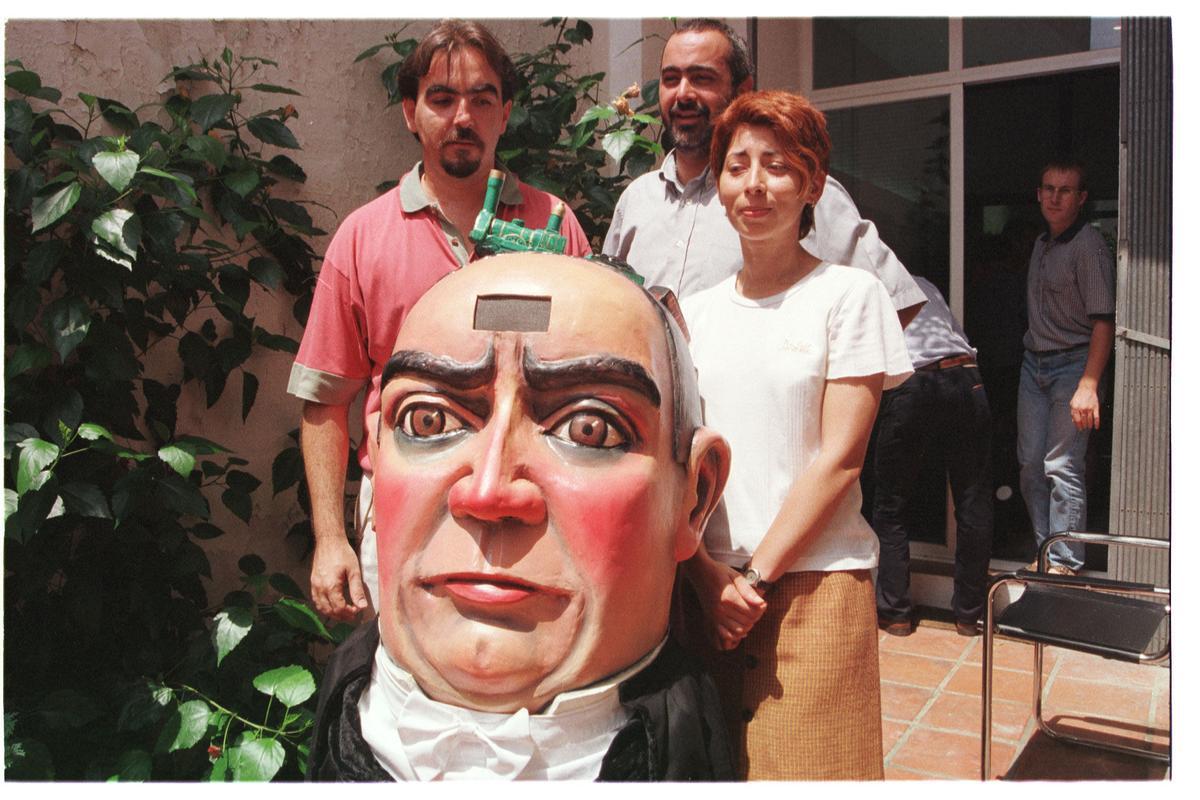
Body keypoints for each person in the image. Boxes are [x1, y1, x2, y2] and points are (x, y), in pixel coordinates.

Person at [306, 252, 735, 781]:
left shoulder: (684, 753)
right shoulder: (343, 706)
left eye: (589, 430)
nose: (489, 492)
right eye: (430, 419)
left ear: (694, 496)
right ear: (375, 446)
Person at [288, 20, 591, 621]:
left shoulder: (554, 226)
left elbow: (586, 378)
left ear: (505, 114)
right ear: (410, 112)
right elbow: (325, 403)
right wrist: (330, 539)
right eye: (442, 98)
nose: (463, 117)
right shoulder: (363, 238)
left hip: (531, 505)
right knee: (402, 682)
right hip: (406, 506)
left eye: (482, 100)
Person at [679, 90, 912, 780]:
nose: (754, 186)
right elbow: (677, 460)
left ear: (812, 184)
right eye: (737, 165)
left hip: (815, 587)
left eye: (777, 167)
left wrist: (752, 581)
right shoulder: (692, 314)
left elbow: (840, 461)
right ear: (717, 182)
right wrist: (704, 574)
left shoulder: (849, 296)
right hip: (708, 587)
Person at [603, 18, 926, 325]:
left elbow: (893, 305)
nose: (683, 94)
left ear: (744, 91)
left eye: (702, 78)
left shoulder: (795, 192)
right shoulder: (636, 200)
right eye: (671, 79)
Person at [872, 276, 994, 638]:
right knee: (973, 501)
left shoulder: (861, 284)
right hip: (965, 377)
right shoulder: (922, 282)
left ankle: (895, 613)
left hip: (914, 380)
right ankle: (969, 616)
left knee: (889, 504)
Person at [1018, 159, 1115, 575]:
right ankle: (1047, 552)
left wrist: (1089, 384)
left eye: (1065, 190)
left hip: (1073, 364)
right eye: (1049, 189)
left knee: (1062, 466)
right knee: (1029, 466)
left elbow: (1104, 322)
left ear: (1081, 199)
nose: (1055, 197)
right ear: (1039, 194)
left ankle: (1065, 563)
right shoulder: (1042, 243)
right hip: (1033, 365)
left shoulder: (1088, 245)